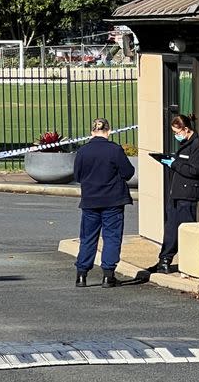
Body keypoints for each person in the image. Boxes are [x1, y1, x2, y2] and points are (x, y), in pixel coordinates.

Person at [74, 118, 135, 288]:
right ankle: (108, 275)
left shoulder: (83, 151)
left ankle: (82, 273)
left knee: (88, 238)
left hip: (90, 200)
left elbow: (77, 176)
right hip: (113, 200)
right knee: (112, 237)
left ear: (91, 132)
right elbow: (128, 172)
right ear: (108, 131)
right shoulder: (114, 150)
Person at [155, 114, 199, 273]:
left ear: (186, 129)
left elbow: (195, 170)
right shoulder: (185, 144)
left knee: (186, 229)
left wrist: (175, 164)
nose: (176, 136)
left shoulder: (197, 145)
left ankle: (189, 262)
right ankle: (164, 259)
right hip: (177, 193)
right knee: (171, 228)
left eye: (177, 132)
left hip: (188, 193)